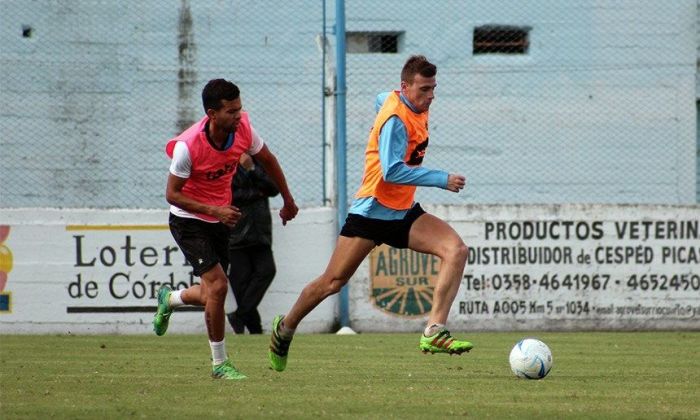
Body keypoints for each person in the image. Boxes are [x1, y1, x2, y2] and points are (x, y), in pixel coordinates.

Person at [268, 55, 472, 372]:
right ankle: (285, 329)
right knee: (332, 282)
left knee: (456, 250)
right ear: (405, 87)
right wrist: (441, 179)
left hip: (403, 213)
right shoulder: (395, 119)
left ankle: (434, 331)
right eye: (423, 89)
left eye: (433, 88)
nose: (430, 95)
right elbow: (391, 172)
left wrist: (384, 109)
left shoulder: (401, 101)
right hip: (372, 213)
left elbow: (381, 98)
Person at [153, 78, 298, 380]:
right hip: (188, 220)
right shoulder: (188, 146)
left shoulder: (243, 129)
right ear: (211, 113)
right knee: (219, 286)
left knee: (210, 295)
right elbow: (172, 194)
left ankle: (170, 299)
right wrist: (215, 209)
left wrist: (288, 199)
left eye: (239, 109)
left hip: (220, 219)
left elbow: (268, 160)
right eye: (231, 111)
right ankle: (219, 364)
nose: (238, 116)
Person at [226, 152, 279, 334]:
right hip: (236, 232)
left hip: (260, 231)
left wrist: (251, 168)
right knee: (240, 282)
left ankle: (239, 317)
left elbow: (273, 188)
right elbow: (229, 196)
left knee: (267, 271)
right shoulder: (225, 163)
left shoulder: (258, 162)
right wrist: (258, 192)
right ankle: (255, 330)